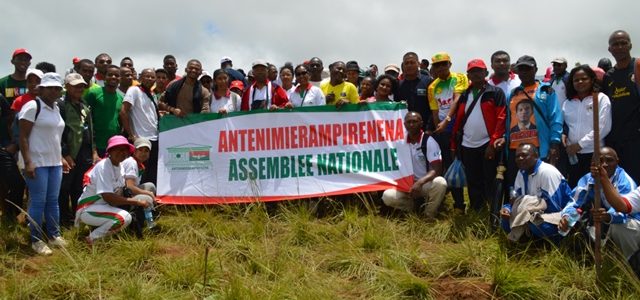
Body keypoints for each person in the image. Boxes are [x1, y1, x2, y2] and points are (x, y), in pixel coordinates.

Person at [18, 72, 70, 255]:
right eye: (51, 88)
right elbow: (22, 137)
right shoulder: (32, 107)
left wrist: (61, 157)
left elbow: (54, 137)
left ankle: (54, 236)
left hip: (54, 161)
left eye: (57, 88)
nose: (55, 91)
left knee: (52, 201)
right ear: (42, 89)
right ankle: (36, 240)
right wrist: (28, 162)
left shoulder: (56, 108)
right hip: (36, 162)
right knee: (38, 201)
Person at [495, 55, 563, 194]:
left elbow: (555, 118)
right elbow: (509, 119)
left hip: (537, 149)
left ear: (535, 70)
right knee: (515, 188)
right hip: (515, 149)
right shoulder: (513, 94)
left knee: (539, 187)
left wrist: (554, 143)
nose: (524, 72)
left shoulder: (546, 91)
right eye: (521, 69)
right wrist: (504, 137)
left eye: (528, 68)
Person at [559, 147, 639, 260]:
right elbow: (575, 202)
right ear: (593, 163)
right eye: (600, 161)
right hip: (600, 219)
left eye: (609, 160)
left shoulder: (625, 182)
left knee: (617, 227)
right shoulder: (588, 179)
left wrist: (607, 216)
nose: (605, 165)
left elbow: (623, 211)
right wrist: (567, 217)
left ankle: (630, 262)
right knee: (572, 220)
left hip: (627, 222)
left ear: (617, 162)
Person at [450, 59, 506, 212]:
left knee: (489, 179)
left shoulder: (495, 93)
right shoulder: (464, 95)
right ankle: (476, 210)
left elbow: (501, 118)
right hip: (467, 145)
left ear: (486, 73)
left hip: (487, 145)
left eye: (479, 71)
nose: (475, 74)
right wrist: (454, 145)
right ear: (468, 74)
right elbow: (458, 121)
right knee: (473, 180)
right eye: (472, 71)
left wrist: (492, 144)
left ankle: (492, 211)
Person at [76, 135, 151, 245]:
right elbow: (108, 196)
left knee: (127, 212)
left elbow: (118, 192)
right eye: (117, 149)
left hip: (104, 206)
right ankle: (92, 239)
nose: (122, 152)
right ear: (110, 151)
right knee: (124, 218)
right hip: (90, 208)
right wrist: (136, 201)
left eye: (124, 150)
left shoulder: (119, 166)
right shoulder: (104, 166)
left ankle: (100, 231)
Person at [381, 112, 447, 220]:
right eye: (409, 122)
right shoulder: (399, 142)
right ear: (404, 124)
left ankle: (428, 215)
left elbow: (437, 169)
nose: (411, 125)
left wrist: (420, 182)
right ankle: (414, 209)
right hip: (406, 185)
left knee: (440, 182)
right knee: (388, 196)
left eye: (415, 122)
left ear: (421, 123)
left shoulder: (429, 141)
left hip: (424, 184)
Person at [500, 143, 572, 242]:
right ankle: (526, 241)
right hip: (533, 212)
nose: (520, 158)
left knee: (535, 223)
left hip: (561, 216)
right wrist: (507, 209)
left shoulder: (547, 172)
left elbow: (556, 207)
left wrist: (529, 211)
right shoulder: (521, 172)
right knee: (505, 220)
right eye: (517, 156)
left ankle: (555, 242)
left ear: (536, 156)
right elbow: (515, 200)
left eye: (524, 155)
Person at [427, 52, 468, 213]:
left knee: (466, 165)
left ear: (449, 64)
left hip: (461, 128)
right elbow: (435, 112)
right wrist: (439, 131)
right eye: (437, 65)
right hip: (444, 131)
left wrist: (448, 120)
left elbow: (457, 99)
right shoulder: (432, 87)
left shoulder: (460, 77)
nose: (441, 68)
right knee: (451, 166)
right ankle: (459, 204)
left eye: (444, 64)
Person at [58, 73, 98, 227]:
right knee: (64, 188)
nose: (79, 88)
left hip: (85, 154)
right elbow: (59, 133)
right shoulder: (61, 105)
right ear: (67, 87)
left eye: (81, 85)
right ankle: (63, 220)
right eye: (75, 86)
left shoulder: (85, 105)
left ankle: (78, 217)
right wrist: (65, 153)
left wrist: (94, 151)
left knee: (79, 188)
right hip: (69, 155)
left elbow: (91, 130)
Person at [562, 65, 612, 187]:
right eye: (576, 80)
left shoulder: (601, 99)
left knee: (595, 191)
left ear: (591, 80)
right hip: (573, 156)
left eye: (584, 79)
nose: (580, 82)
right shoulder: (567, 103)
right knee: (576, 190)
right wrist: (563, 135)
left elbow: (603, 127)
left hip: (594, 153)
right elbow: (565, 125)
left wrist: (580, 145)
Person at [602, 30, 640, 184]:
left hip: (636, 138)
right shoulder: (608, 76)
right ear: (610, 49)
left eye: (623, 43)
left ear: (630, 45)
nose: (620, 47)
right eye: (615, 44)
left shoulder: (638, 68)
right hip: (615, 140)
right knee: (620, 183)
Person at [120, 68, 159, 185]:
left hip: (154, 138)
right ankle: (136, 200)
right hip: (141, 138)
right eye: (147, 76)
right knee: (139, 172)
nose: (150, 79)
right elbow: (123, 112)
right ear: (141, 77)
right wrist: (131, 135)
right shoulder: (134, 90)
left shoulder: (152, 95)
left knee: (152, 172)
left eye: (152, 77)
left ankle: (150, 199)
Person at [84, 65, 124, 156]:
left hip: (114, 144)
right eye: (110, 74)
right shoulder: (94, 93)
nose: (113, 77)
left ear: (120, 79)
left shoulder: (121, 98)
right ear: (104, 77)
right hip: (95, 145)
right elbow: (85, 118)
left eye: (116, 75)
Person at [121, 137, 157, 229]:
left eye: (146, 151)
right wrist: (149, 194)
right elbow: (130, 187)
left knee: (150, 186)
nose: (143, 153)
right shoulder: (131, 163)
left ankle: (145, 216)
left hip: (126, 193)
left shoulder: (138, 164)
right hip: (120, 197)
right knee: (147, 198)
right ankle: (141, 225)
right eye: (140, 150)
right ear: (134, 151)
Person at [396, 52, 434, 130]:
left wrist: (429, 128)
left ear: (418, 64)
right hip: (405, 130)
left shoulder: (429, 82)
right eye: (406, 63)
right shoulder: (399, 85)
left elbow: (434, 107)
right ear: (403, 66)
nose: (409, 65)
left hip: (425, 130)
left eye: (412, 62)